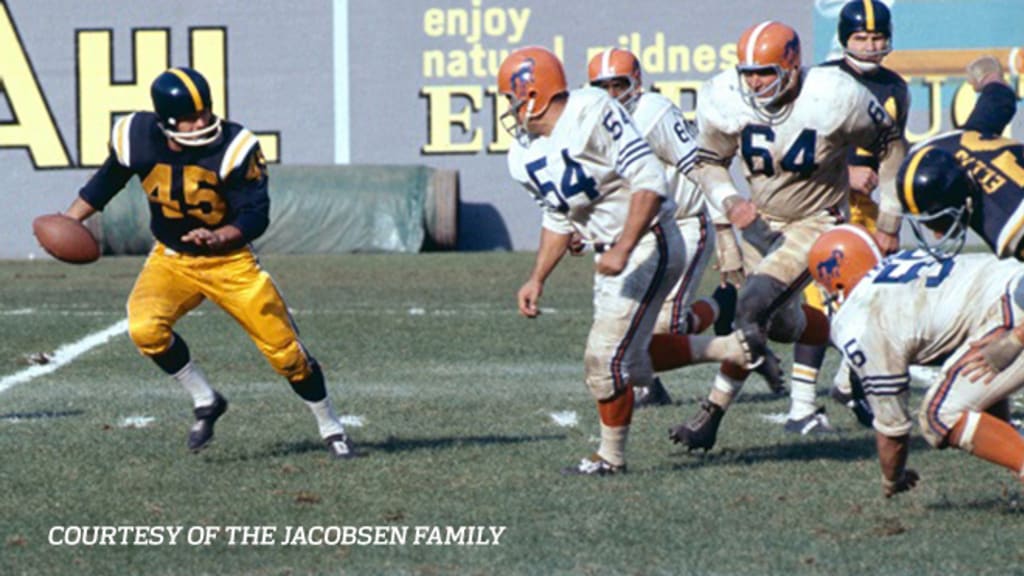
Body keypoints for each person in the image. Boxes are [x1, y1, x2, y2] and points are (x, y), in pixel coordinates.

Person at [62, 67, 356, 459]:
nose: (203, 122)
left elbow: (255, 214)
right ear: (167, 121)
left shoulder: (234, 146)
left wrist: (219, 236)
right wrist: (68, 222)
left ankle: (332, 428)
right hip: (172, 258)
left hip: (230, 262)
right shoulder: (136, 137)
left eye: (205, 112)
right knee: (145, 329)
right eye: (191, 117)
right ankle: (206, 399)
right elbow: (107, 181)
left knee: (286, 353)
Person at [498, 46, 757, 475]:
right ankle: (733, 347)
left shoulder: (593, 111)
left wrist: (624, 245)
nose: (508, 108)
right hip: (613, 251)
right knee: (633, 361)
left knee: (602, 360)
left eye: (511, 97)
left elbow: (651, 184)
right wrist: (537, 278)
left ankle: (610, 458)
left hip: (651, 240)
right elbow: (557, 217)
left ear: (532, 93)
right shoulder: (523, 154)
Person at [670, 20, 904, 452]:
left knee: (751, 306)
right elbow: (708, 159)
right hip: (761, 222)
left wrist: (890, 219)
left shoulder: (834, 94)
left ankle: (712, 411)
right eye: (748, 72)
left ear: (792, 67)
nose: (755, 82)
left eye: (765, 72)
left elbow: (891, 145)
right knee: (777, 322)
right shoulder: (724, 95)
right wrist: (729, 201)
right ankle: (836, 339)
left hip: (817, 221)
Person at [808, 225, 1024, 497]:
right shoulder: (902, 264)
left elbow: (893, 430)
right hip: (1013, 286)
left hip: (1011, 311)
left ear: (835, 282)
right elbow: (984, 387)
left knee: (940, 416)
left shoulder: (860, 318)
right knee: (970, 383)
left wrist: (892, 478)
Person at [586, 47, 742, 408]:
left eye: (618, 84)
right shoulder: (590, 119)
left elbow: (701, 168)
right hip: (639, 231)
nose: (611, 95)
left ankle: (722, 308)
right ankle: (648, 385)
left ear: (636, 83)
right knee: (630, 315)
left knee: (667, 326)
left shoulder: (653, 113)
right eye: (601, 86)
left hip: (684, 220)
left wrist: (724, 232)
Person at [785, 0, 911, 434]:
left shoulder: (895, 87)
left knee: (875, 297)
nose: (871, 45)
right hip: (823, 200)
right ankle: (801, 404)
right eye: (862, 37)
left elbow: (894, 154)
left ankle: (846, 382)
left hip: (870, 208)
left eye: (877, 37)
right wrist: (844, 169)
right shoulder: (822, 81)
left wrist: (891, 220)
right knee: (821, 297)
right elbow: (799, 144)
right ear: (845, 39)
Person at [897, 56, 1022, 261]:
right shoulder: (953, 144)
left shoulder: (1009, 224)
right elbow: (999, 100)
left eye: (938, 220)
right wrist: (990, 78)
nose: (936, 233)